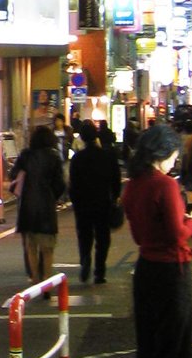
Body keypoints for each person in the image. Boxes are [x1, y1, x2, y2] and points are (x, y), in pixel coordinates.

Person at [120, 122, 192, 358]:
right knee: (172, 345)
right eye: (174, 155)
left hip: (146, 270)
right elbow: (175, 234)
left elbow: (143, 236)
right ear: (163, 152)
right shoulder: (164, 186)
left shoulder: (133, 186)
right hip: (171, 273)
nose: (175, 161)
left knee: (151, 344)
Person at [9, 123, 64, 284]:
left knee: (31, 246)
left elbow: (14, 174)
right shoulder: (53, 157)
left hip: (27, 206)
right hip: (46, 206)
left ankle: (35, 279)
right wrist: (53, 196)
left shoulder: (26, 155)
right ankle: (47, 280)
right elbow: (60, 183)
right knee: (47, 248)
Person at [68, 118, 121, 285]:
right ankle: (100, 271)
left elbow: (73, 184)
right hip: (103, 201)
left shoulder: (77, 159)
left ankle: (85, 261)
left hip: (83, 204)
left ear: (82, 138)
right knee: (102, 238)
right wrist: (115, 197)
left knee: (84, 236)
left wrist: (75, 201)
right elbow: (116, 180)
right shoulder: (107, 156)